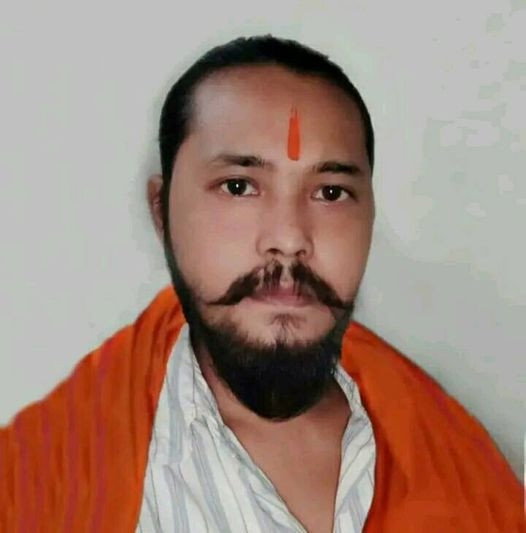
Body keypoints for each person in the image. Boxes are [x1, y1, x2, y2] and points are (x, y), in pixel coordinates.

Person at [0, 35, 522, 533]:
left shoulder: (465, 470)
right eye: (238, 186)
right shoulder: (39, 482)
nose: (290, 239)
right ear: (161, 212)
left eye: (331, 192)